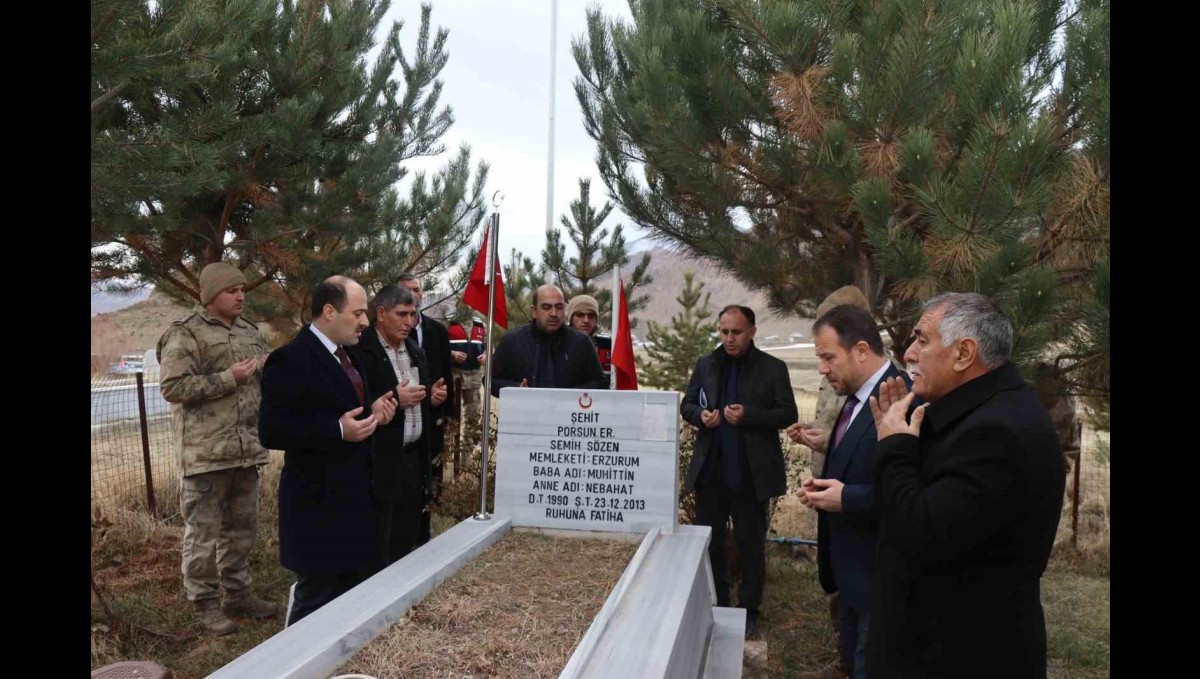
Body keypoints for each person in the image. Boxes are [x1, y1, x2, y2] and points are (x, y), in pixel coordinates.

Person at [866, 292, 1065, 678]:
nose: (908, 353)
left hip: (961, 655)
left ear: (964, 353)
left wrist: (895, 448)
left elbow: (921, 534)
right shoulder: (973, 414)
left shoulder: (997, 432)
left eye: (922, 340)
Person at [259, 276, 397, 627]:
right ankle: (290, 663)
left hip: (355, 502)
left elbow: (348, 413)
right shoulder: (289, 360)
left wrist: (374, 415)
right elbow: (272, 430)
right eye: (359, 313)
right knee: (315, 598)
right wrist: (336, 430)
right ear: (329, 312)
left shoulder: (349, 357)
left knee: (349, 598)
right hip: (317, 506)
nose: (366, 322)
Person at [786, 305, 910, 679]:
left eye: (828, 357)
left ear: (859, 350)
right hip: (852, 572)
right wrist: (825, 486)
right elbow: (864, 458)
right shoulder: (856, 396)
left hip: (881, 576)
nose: (822, 368)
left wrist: (847, 498)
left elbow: (910, 491)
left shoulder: (900, 397)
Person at [157, 262, 280, 635]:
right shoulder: (185, 334)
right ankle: (205, 605)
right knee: (203, 536)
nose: (241, 296)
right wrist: (230, 378)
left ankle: (238, 594)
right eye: (232, 290)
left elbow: (261, 382)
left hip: (245, 451)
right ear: (211, 295)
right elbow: (174, 388)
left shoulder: (249, 331)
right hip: (205, 456)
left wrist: (267, 367)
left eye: (243, 289)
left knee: (242, 531)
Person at [680, 304, 797, 639]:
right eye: (724, 331)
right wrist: (701, 415)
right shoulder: (706, 364)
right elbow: (687, 404)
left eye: (736, 332)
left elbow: (786, 412)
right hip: (711, 473)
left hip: (750, 474)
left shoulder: (772, 368)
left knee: (750, 546)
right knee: (711, 543)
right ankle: (716, 603)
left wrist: (748, 415)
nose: (729, 339)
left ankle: (749, 611)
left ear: (752, 331)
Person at [346, 284, 447, 566]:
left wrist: (431, 396)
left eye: (413, 314)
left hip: (413, 457)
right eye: (401, 314)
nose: (409, 322)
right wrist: (392, 397)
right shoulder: (359, 350)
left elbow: (418, 393)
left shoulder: (414, 350)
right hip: (378, 459)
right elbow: (352, 398)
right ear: (380, 313)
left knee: (407, 533)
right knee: (379, 538)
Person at [396, 273, 454, 542]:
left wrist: (447, 409)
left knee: (430, 479)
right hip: (401, 421)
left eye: (418, 290)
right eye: (408, 290)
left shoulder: (437, 331)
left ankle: (425, 531)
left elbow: (446, 374)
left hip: (432, 418)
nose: (414, 294)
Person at [489, 284, 605, 395]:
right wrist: (517, 390)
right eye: (546, 307)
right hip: (524, 413)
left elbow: (599, 382)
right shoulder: (513, 341)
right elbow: (491, 381)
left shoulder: (581, 342)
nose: (554, 313)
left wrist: (571, 395)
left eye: (559, 307)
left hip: (567, 413)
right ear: (534, 311)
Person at [566, 294, 612, 386]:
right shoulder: (560, 341)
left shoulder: (608, 344)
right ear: (571, 318)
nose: (586, 320)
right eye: (580, 315)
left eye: (591, 315)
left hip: (601, 397)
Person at [448, 313, 486, 424]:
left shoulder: (481, 325)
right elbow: (439, 347)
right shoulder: (448, 323)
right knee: (451, 414)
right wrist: (453, 354)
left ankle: (469, 441)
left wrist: (485, 356)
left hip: (473, 376)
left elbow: (489, 347)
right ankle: (450, 441)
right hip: (454, 375)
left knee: (473, 414)